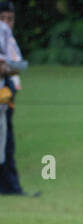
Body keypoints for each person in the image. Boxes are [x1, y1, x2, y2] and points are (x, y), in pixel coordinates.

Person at [0, 1, 35, 197]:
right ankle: (10, 187)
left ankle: (10, 187)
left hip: (7, 97)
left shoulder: (9, 39)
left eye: (10, 19)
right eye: (2, 18)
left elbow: (18, 64)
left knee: (7, 143)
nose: (6, 23)